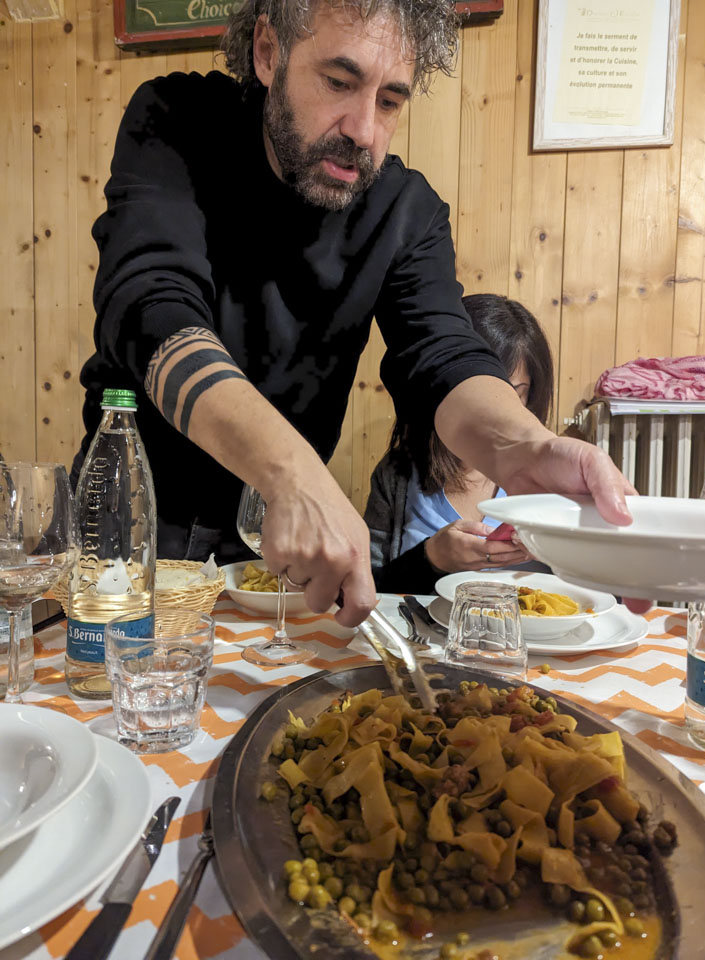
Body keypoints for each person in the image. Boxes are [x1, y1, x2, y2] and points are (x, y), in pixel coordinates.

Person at [74, 0, 634, 629]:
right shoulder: (178, 123)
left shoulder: (406, 212)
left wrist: (527, 446)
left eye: (390, 101)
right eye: (339, 82)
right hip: (130, 516)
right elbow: (151, 305)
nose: (364, 129)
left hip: (277, 545)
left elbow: (443, 356)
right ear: (267, 51)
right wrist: (288, 471)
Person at [365, 294, 555, 592]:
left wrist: (567, 553)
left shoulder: (549, 478)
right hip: (426, 637)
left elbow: (603, 593)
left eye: (514, 395)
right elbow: (368, 590)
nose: (496, 413)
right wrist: (431, 559)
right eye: (480, 394)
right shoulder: (398, 474)